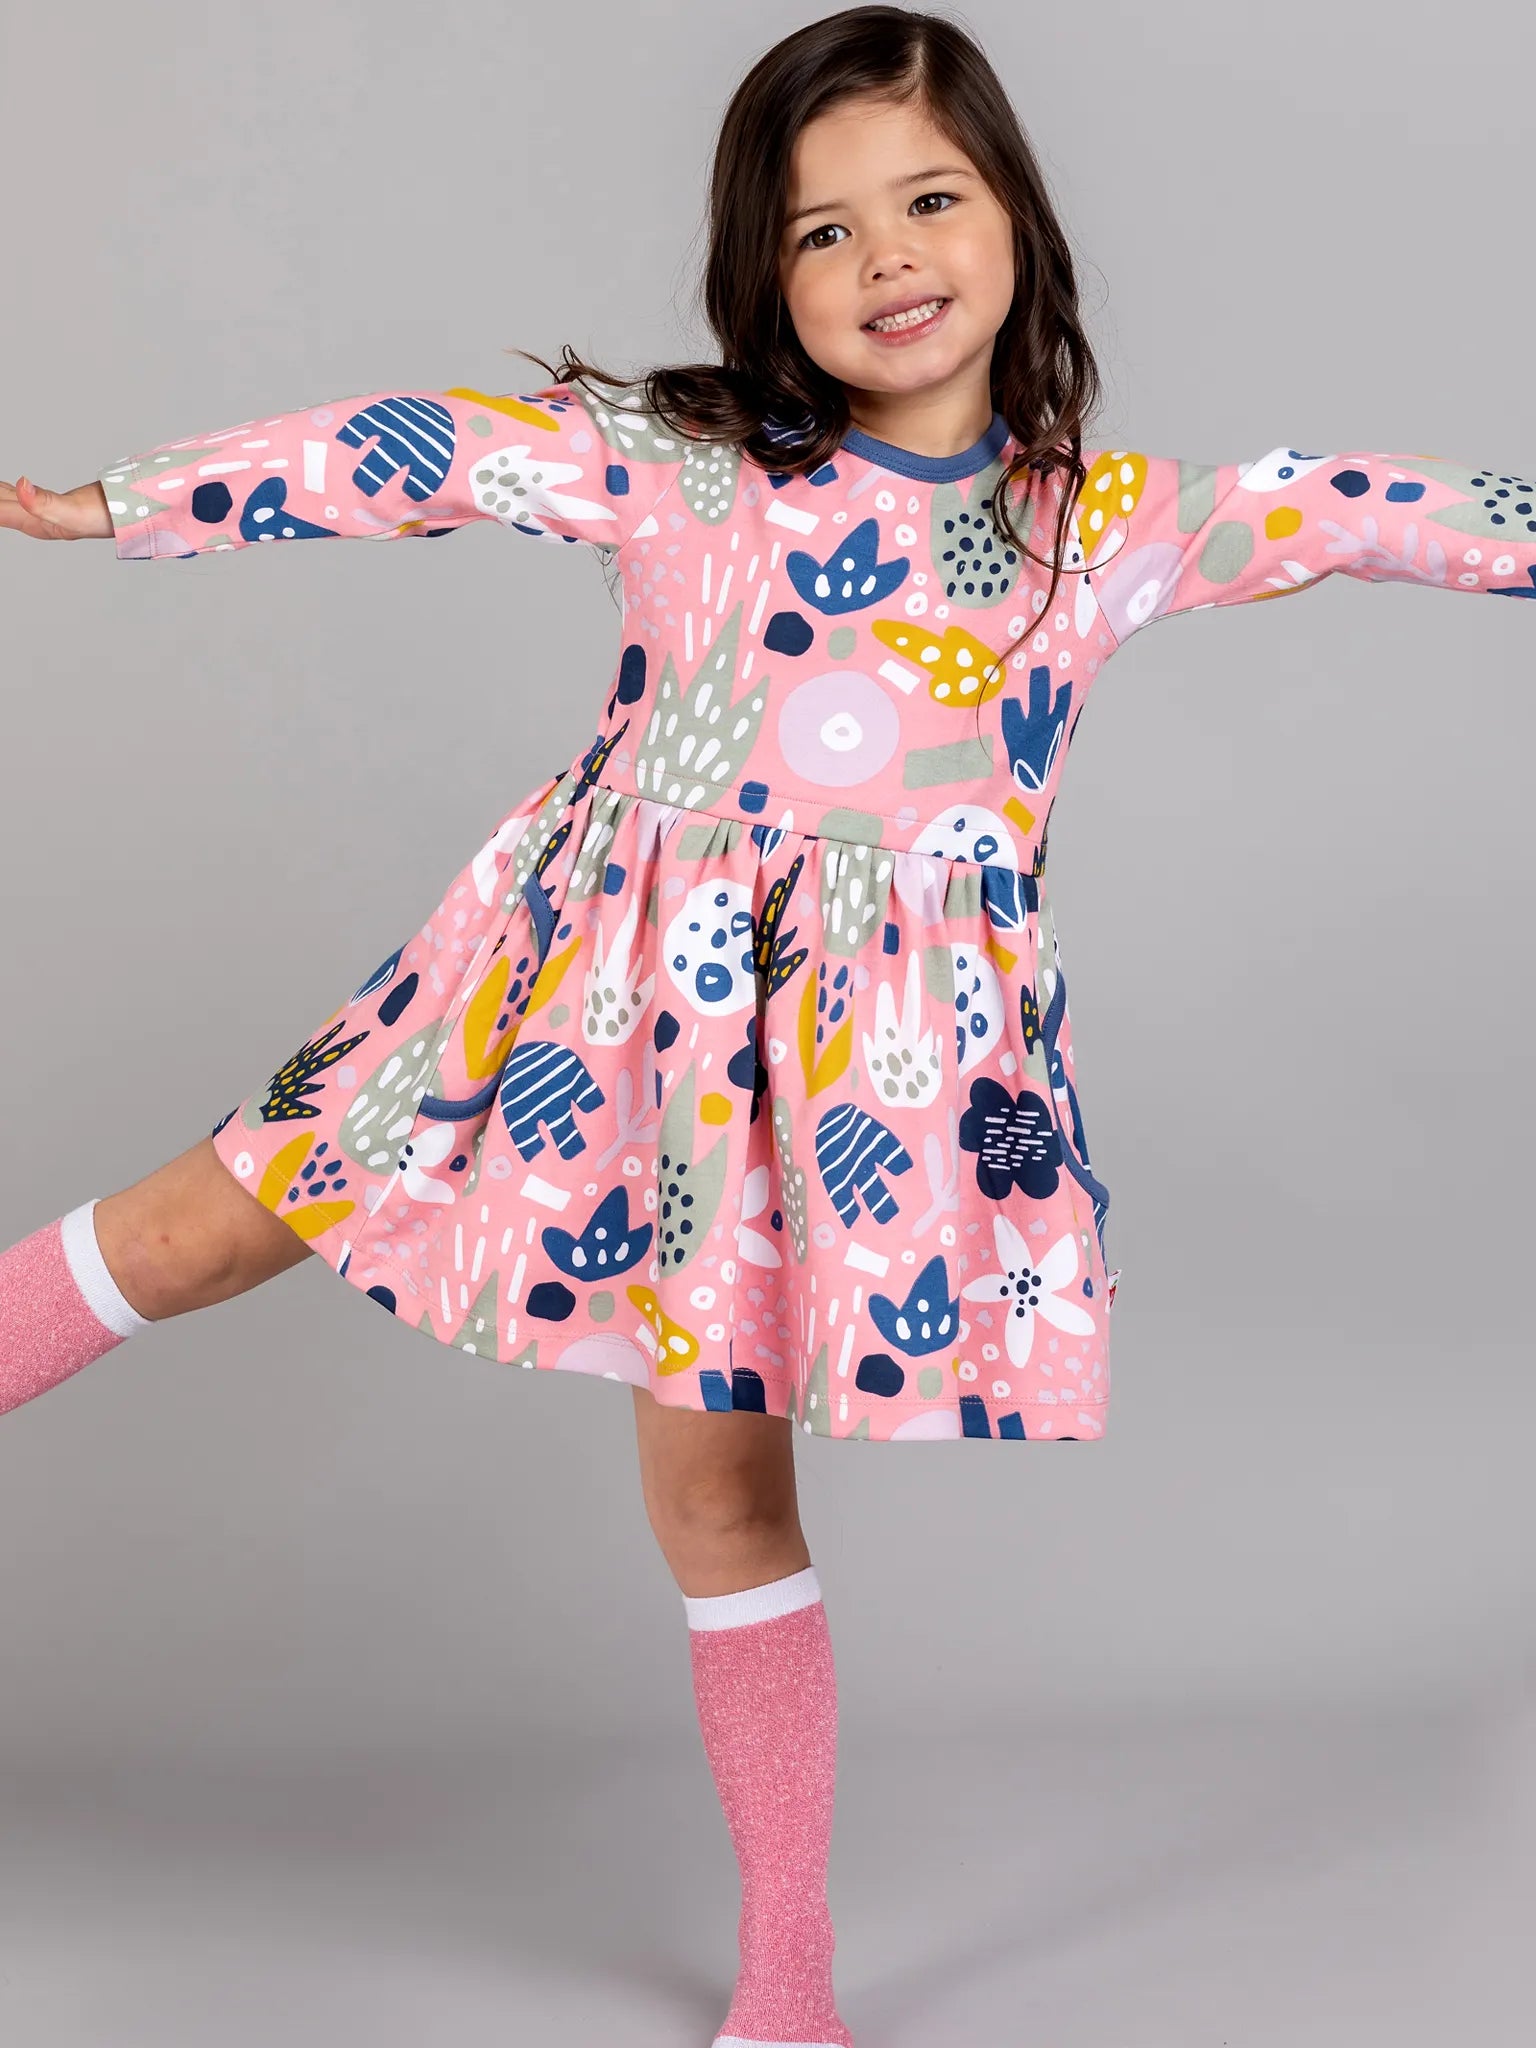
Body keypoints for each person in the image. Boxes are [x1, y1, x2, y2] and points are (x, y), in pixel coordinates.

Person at [3, 7, 1532, 2043]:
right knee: (193, 1232)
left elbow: (1353, 505)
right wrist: (122, 502)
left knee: (724, 1495)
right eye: (822, 231)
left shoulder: (1106, 524)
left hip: (800, 1103)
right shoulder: (685, 464)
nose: (886, 257)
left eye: (927, 199)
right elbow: (431, 450)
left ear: (1013, 223)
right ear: (767, 278)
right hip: (553, 1014)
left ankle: (785, 1983)